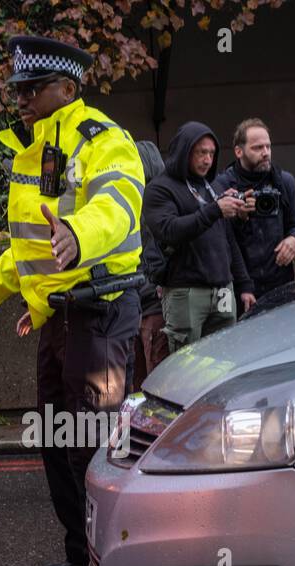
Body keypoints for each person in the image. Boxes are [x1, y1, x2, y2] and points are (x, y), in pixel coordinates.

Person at [0, 35, 145, 566]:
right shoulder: (31, 153)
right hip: (54, 318)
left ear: (69, 88)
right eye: (20, 90)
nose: (23, 99)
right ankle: (79, 553)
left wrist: (80, 233)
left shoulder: (104, 140)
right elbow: (24, 250)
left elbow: (119, 203)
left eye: (34, 89)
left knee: (91, 445)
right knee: (58, 444)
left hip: (99, 309)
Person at [143, 121, 254, 352]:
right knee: (186, 365)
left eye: (212, 153)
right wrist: (214, 209)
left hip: (223, 289)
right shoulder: (160, 188)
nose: (207, 160)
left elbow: (227, 241)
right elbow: (168, 230)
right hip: (186, 290)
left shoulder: (213, 185)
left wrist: (244, 285)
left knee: (223, 363)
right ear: (185, 152)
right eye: (201, 153)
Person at [214, 118, 295, 300]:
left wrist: (294, 240)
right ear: (239, 151)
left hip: (280, 280)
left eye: (268, 147)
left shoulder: (284, 181)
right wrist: (238, 216)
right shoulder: (223, 185)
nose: (265, 153)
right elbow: (219, 239)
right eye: (257, 148)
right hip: (241, 286)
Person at [132, 140, 168, 392]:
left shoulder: (142, 205)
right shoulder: (166, 201)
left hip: (146, 301)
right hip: (148, 301)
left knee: (147, 380)